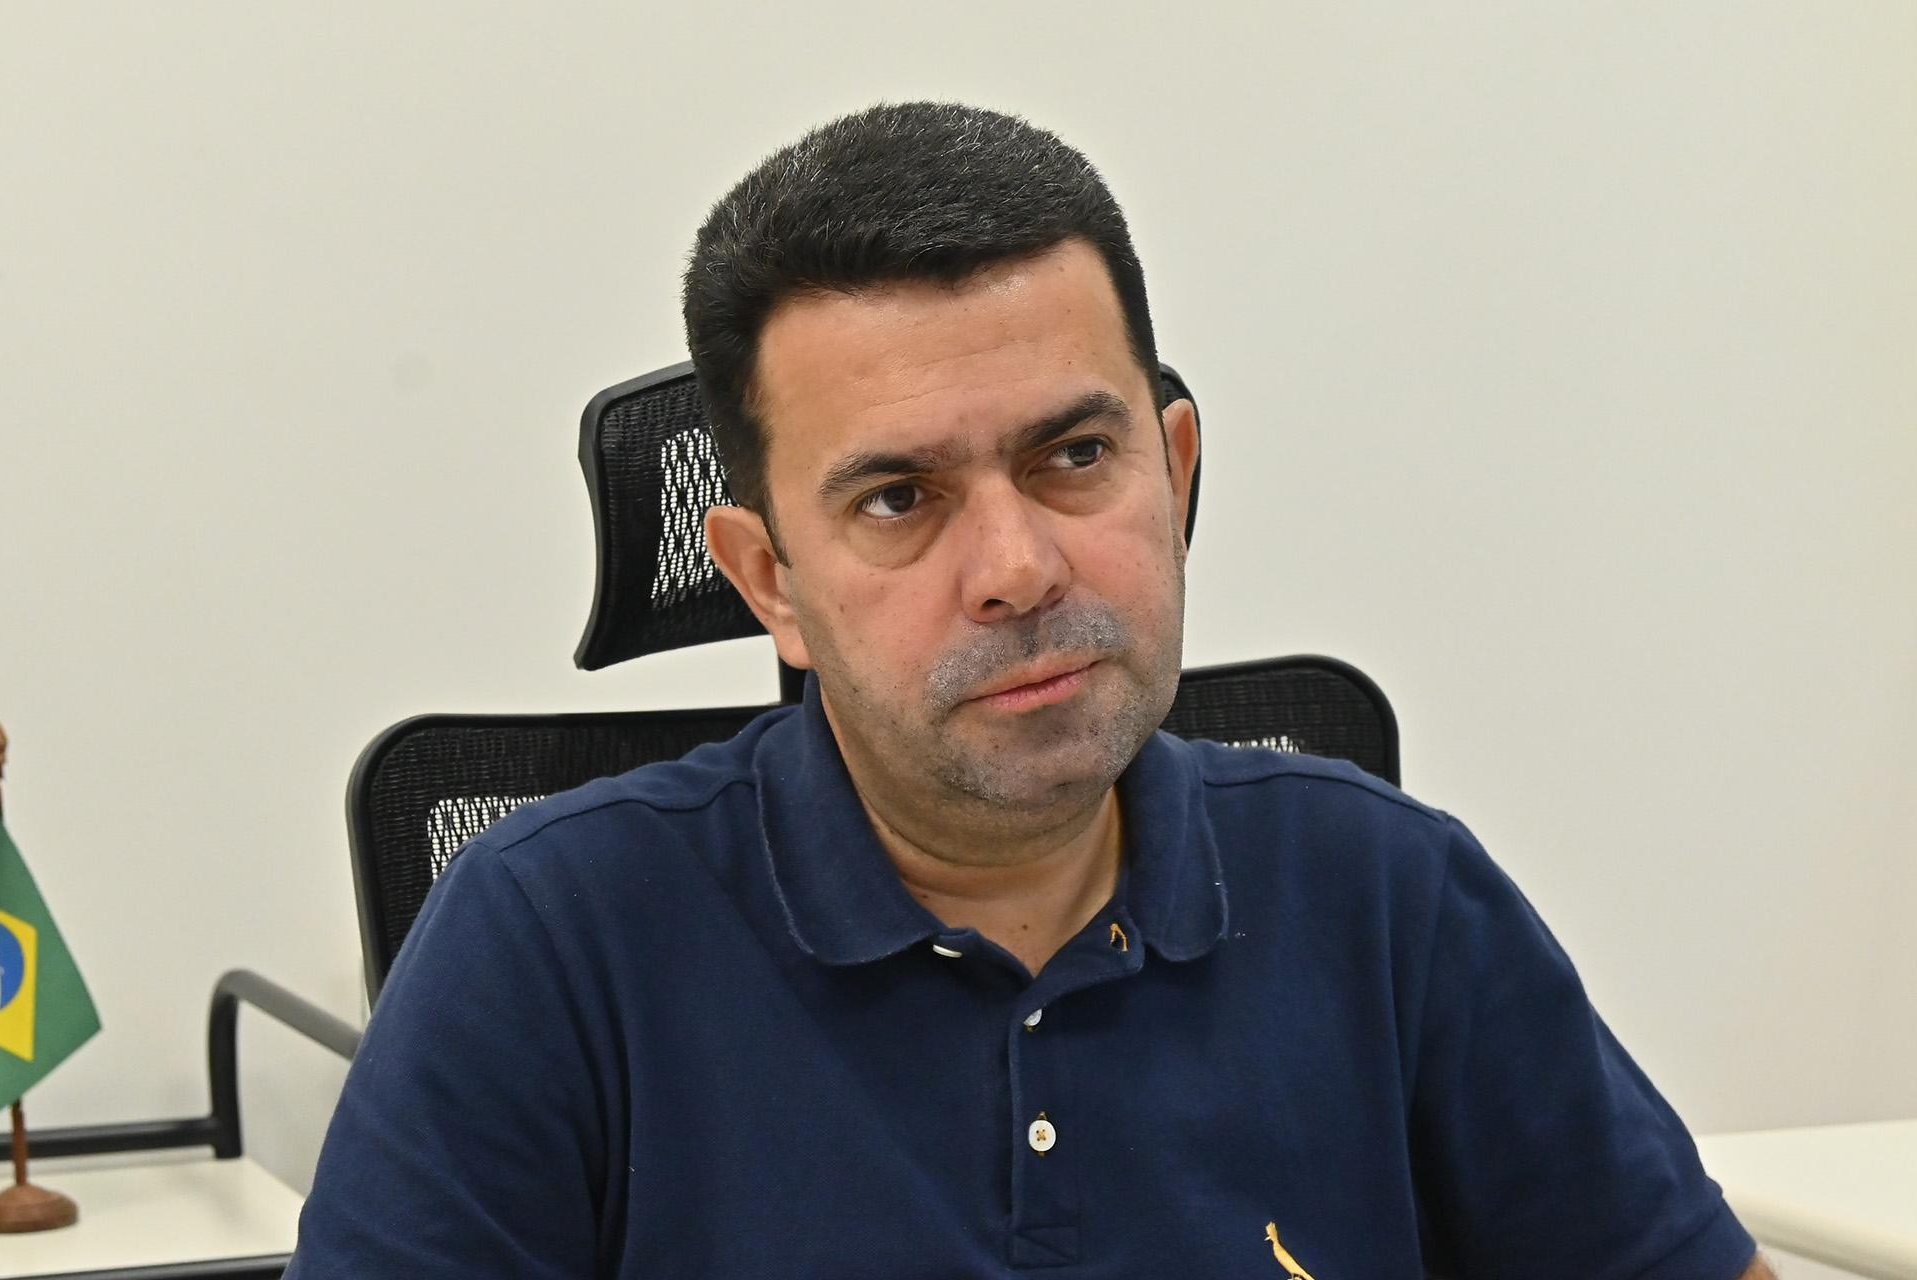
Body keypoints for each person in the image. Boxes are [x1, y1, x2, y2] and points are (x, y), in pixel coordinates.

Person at [289, 102, 1771, 1278]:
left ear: (1173, 472)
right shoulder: (545, 943)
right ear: (769, 580)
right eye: (897, 498)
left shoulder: (1390, 893)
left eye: (1075, 457)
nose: (1016, 568)